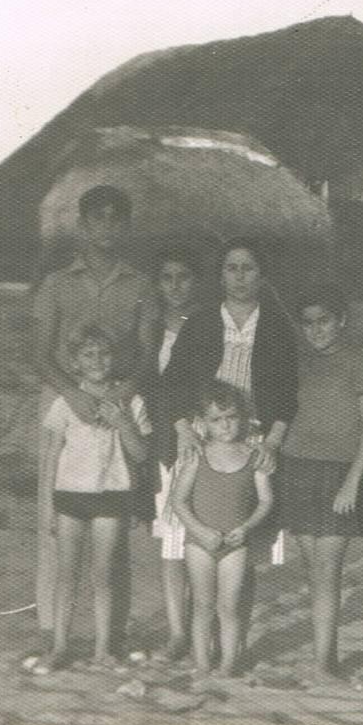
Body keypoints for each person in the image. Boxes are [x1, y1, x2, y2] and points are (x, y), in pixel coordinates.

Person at [31, 184, 156, 652]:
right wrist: (71, 392)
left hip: (118, 402)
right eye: (97, 218)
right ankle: (52, 634)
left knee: (115, 520)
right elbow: (39, 353)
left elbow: (146, 352)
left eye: (115, 218)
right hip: (66, 400)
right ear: (82, 226)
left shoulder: (141, 285)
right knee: (56, 520)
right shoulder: (56, 283)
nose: (106, 226)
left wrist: (126, 391)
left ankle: (110, 637)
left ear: (126, 226)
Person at [160, 238, 297, 653]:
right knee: (186, 537)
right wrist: (184, 431)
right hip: (203, 438)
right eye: (232, 269)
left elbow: (289, 393)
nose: (240, 277)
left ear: (262, 275)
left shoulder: (275, 326)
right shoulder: (201, 322)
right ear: (220, 276)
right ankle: (184, 634)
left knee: (244, 543)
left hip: (251, 440)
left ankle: (234, 641)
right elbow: (170, 386)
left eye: (249, 268)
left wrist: (271, 443)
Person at [278, 285, 363, 685]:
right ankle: (322, 657)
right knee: (312, 570)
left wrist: (354, 483)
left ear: (340, 321)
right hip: (298, 470)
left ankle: (326, 662)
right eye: (308, 323)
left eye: (323, 321)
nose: (316, 330)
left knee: (328, 568)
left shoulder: (360, 363)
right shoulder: (300, 363)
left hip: (341, 475)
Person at [35, 325, 151, 673]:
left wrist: (123, 423)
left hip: (112, 495)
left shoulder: (130, 401)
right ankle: (59, 646)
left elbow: (142, 454)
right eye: (88, 355)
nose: (97, 361)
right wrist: (49, 508)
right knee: (67, 573)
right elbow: (53, 457)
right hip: (70, 494)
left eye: (104, 354)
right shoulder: (65, 403)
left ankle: (103, 649)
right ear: (75, 364)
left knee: (104, 575)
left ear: (115, 359)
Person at [172, 381, 273, 679]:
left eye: (231, 417)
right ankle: (202, 663)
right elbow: (178, 501)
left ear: (241, 418)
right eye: (217, 420)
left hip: (236, 543)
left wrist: (246, 529)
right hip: (199, 543)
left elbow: (266, 501)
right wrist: (200, 531)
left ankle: (229, 663)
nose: (226, 425)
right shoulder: (197, 455)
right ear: (203, 423)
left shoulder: (253, 455)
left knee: (229, 607)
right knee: (202, 605)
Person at [143, 247, 201, 663]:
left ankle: (204, 628)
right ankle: (178, 632)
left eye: (184, 276)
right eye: (167, 277)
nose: (175, 285)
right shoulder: (149, 328)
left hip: (204, 435)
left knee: (202, 535)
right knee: (171, 541)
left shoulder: (210, 323)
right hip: (164, 438)